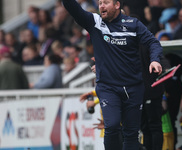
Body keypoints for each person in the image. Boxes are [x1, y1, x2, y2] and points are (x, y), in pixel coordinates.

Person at [62, 0, 163, 149]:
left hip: (133, 87)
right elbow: (72, 7)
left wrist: (155, 60)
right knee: (113, 124)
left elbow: (153, 43)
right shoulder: (94, 22)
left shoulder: (133, 23)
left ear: (117, 5)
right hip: (108, 87)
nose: (101, 5)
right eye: (100, 2)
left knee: (131, 134)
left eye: (106, 2)